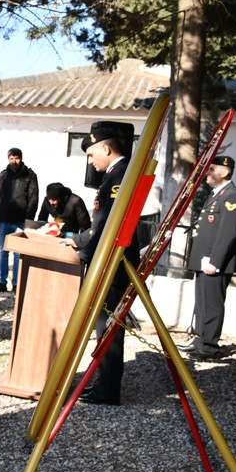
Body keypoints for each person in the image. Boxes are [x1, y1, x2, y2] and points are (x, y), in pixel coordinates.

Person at [64, 122, 140, 406]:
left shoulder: (119, 176)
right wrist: (80, 241)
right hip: (110, 261)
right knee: (103, 328)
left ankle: (107, 391)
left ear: (106, 148)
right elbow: (99, 228)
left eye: (92, 152)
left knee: (108, 328)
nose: (90, 159)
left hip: (113, 265)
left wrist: (84, 253)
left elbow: (109, 226)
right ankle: (101, 385)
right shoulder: (116, 174)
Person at [178, 155, 236, 359]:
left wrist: (215, 261)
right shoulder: (217, 194)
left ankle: (209, 346)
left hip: (215, 262)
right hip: (205, 260)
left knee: (213, 304)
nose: (207, 173)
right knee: (202, 302)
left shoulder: (232, 196)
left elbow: (227, 233)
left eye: (211, 169)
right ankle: (200, 339)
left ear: (224, 172)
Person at [0, 147, 38, 293]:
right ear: (8, 159)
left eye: (16, 158)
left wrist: (28, 220)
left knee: (18, 253)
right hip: (4, 220)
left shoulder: (30, 175)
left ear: (21, 158)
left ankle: (17, 283)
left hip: (20, 221)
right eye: (11, 158)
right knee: (3, 252)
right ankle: (2, 282)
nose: (14, 161)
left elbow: (33, 198)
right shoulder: (3, 176)